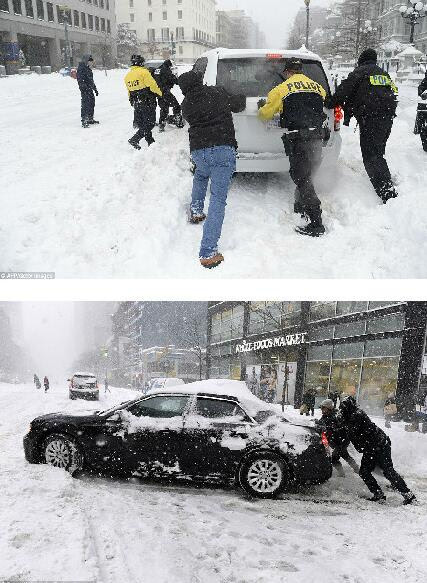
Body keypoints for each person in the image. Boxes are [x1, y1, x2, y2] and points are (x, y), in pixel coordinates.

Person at [178, 70, 246, 269]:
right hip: (222, 149)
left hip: (199, 151)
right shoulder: (217, 92)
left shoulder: (186, 105)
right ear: (200, 81)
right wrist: (239, 91)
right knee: (217, 198)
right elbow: (239, 105)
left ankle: (197, 210)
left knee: (200, 175)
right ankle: (208, 251)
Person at [258, 58, 327, 237]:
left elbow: (265, 114)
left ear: (287, 72)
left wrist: (262, 108)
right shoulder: (317, 87)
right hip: (318, 136)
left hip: (299, 138)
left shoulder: (281, 89)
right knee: (308, 174)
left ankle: (316, 222)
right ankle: (301, 205)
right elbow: (318, 104)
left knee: (302, 177)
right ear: (301, 71)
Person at [327, 48, 398, 203]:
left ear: (361, 60)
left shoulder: (360, 72)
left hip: (371, 118)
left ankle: (387, 193)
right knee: (378, 151)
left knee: (371, 155)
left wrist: (329, 103)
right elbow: (394, 92)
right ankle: (384, 182)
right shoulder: (383, 74)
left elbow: (342, 92)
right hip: (387, 117)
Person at [338, 396, 416, 504]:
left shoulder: (357, 415)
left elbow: (351, 430)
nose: (341, 410)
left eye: (343, 408)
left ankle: (408, 495)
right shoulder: (350, 417)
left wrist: (340, 425)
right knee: (364, 472)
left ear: (349, 407)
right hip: (370, 448)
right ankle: (378, 494)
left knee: (388, 471)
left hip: (380, 445)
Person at [124, 54, 162, 150]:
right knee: (150, 123)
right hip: (147, 101)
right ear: (141, 63)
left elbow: (129, 91)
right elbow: (152, 85)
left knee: (144, 123)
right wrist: (160, 93)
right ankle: (134, 139)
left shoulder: (127, 76)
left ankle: (150, 141)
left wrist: (132, 101)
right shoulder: (144, 72)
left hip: (136, 101)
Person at [315, 399, 360, 476]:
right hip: (337, 442)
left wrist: (326, 428)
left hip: (341, 441)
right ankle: (357, 470)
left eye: (323, 408)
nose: (321, 410)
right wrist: (317, 423)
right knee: (345, 455)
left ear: (329, 408)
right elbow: (322, 422)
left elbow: (333, 427)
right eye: (321, 408)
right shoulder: (325, 416)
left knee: (334, 459)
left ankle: (342, 474)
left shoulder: (335, 416)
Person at [156, 60, 184, 132]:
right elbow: (173, 79)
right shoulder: (166, 70)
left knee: (164, 109)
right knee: (176, 105)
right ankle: (178, 122)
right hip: (165, 92)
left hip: (158, 93)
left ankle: (161, 125)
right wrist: (180, 81)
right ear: (169, 65)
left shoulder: (157, 70)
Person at [77, 55, 99, 129]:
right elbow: (80, 79)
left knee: (92, 102)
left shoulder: (88, 68)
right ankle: (84, 120)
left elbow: (91, 80)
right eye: (90, 61)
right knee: (85, 104)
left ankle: (90, 118)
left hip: (89, 89)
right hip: (85, 89)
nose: (91, 63)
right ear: (86, 61)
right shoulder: (81, 68)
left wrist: (95, 89)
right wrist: (83, 87)